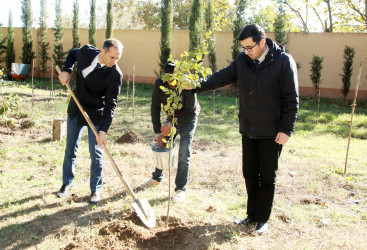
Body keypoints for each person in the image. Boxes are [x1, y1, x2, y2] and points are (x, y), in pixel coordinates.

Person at [196, 24, 299, 233]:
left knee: (267, 176)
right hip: (248, 129)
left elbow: (291, 99)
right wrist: (196, 85)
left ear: (262, 42)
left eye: (249, 47)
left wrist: (286, 129)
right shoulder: (243, 60)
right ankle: (251, 215)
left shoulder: (283, 61)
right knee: (250, 173)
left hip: (272, 132)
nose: (246, 51)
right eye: (243, 48)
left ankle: (262, 219)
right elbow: (221, 77)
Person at [56, 38, 123, 204]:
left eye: (118, 58)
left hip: (96, 114)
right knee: (70, 148)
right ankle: (67, 183)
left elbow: (111, 105)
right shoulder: (86, 52)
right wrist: (66, 70)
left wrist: (103, 131)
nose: (114, 62)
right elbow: (72, 54)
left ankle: (95, 189)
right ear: (102, 51)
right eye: (112, 57)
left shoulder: (115, 74)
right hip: (76, 108)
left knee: (96, 153)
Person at [136, 61, 200, 202]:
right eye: (168, 79)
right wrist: (158, 131)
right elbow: (155, 106)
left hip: (188, 120)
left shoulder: (186, 84)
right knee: (162, 145)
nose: (172, 83)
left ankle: (180, 189)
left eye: (175, 79)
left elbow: (191, 113)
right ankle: (156, 178)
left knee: (184, 153)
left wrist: (171, 125)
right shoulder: (160, 83)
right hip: (171, 117)